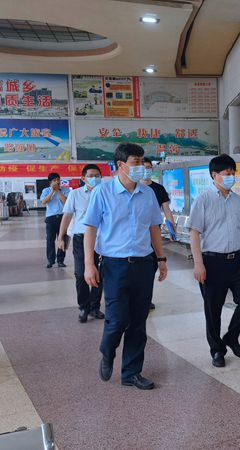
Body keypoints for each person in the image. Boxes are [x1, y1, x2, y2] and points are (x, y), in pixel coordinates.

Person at [83, 143, 168, 390]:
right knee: (117, 319)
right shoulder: (103, 192)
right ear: (120, 165)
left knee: (138, 321)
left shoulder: (148, 193)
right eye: (135, 162)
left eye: (142, 161)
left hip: (143, 264)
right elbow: (90, 229)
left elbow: (154, 228)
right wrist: (89, 264)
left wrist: (161, 259)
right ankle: (107, 351)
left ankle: (131, 372)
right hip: (114, 265)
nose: (141, 167)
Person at [189, 154, 240, 368]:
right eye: (227, 174)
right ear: (214, 175)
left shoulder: (239, 201)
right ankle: (217, 350)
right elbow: (194, 233)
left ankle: (231, 336)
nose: (231, 177)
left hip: (237, 261)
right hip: (212, 262)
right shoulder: (203, 200)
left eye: (233, 173)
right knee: (213, 310)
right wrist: (198, 263)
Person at [58, 164, 105, 323]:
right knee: (80, 273)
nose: (95, 178)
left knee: (100, 273)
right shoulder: (75, 194)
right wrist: (61, 237)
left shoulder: (105, 193)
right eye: (91, 176)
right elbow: (67, 216)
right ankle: (84, 307)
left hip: (101, 238)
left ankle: (94, 307)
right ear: (83, 178)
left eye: (97, 175)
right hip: (81, 238)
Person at [141, 157, 177, 310]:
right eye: (143, 167)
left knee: (151, 268)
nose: (146, 170)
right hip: (139, 234)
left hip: (154, 233)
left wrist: (172, 228)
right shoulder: (135, 188)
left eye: (148, 167)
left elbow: (166, 209)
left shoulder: (158, 189)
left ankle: (146, 298)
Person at [40, 172, 70, 268]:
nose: (57, 182)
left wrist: (57, 191)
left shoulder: (66, 190)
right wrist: (52, 191)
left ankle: (61, 260)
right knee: (50, 240)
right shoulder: (45, 190)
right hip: (50, 218)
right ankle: (50, 260)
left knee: (63, 239)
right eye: (54, 180)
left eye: (58, 180)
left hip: (63, 217)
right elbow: (44, 202)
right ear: (50, 182)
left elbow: (66, 202)